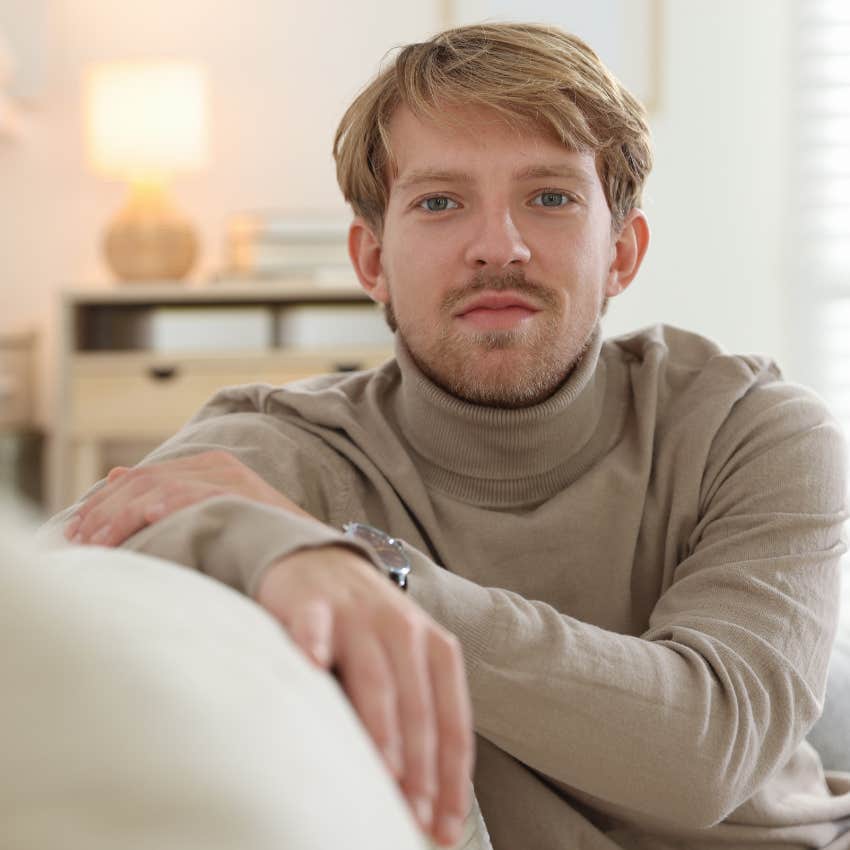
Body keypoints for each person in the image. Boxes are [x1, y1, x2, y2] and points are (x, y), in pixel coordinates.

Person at [51, 22, 850, 850]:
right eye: (439, 202)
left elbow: (704, 756)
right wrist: (264, 545)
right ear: (372, 261)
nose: (497, 247)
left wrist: (371, 575)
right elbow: (43, 602)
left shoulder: (753, 430)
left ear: (622, 251)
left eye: (549, 198)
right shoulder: (284, 450)